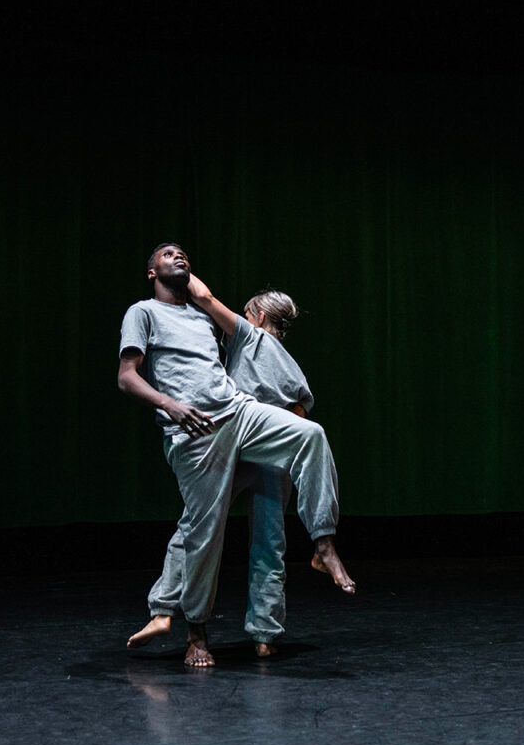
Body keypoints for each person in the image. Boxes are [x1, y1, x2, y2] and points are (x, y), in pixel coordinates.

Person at [117, 243, 354, 667]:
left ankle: (323, 543)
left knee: (309, 439)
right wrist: (170, 405)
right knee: (209, 533)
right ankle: (207, 631)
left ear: (257, 317)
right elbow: (127, 377)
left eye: (183, 254)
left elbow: (205, 300)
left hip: (242, 419)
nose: (179, 256)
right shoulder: (144, 312)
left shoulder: (221, 326)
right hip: (204, 432)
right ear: (150, 272)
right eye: (167, 254)